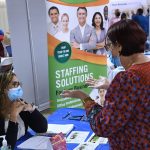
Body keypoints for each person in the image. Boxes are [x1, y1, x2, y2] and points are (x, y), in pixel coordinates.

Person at [61, 19, 150, 149]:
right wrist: (112, 87)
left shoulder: (128, 78)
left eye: (109, 46)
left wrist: (84, 98)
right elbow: (141, 97)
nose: (110, 51)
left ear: (119, 45)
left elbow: (103, 125)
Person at [0, 70, 48, 149]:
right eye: (15, 84)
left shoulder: (19, 102)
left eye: (19, 84)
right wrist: (13, 116)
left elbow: (42, 128)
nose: (18, 88)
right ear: (3, 89)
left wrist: (32, 110)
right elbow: (8, 146)